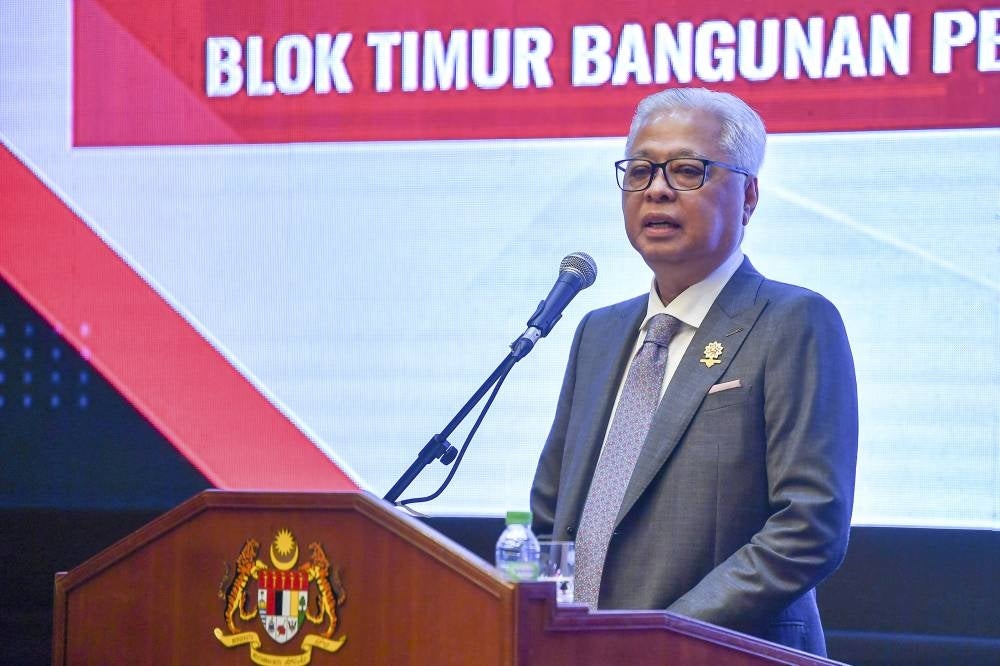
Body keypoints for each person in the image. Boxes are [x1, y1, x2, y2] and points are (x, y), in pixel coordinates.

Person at [530, 87, 858, 656]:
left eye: (687, 170)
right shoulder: (598, 333)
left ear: (749, 196)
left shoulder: (793, 322)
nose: (656, 188)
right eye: (639, 171)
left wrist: (662, 641)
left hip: (719, 653)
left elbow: (807, 527)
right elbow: (550, 515)